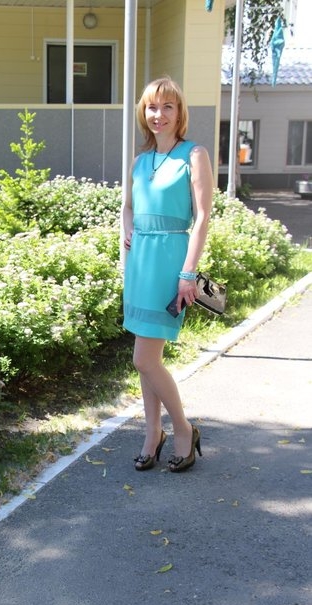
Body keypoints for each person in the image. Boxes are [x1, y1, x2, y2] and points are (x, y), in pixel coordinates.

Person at [122, 76, 213, 473]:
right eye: (152, 107)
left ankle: (182, 429)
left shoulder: (194, 155)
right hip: (139, 262)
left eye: (167, 107)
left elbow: (203, 216)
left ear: (179, 113)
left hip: (170, 262)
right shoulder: (140, 162)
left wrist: (188, 273)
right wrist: (126, 227)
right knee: (149, 359)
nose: (158, 114)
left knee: (144, 359)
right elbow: (127, 207)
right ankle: (151, 434)